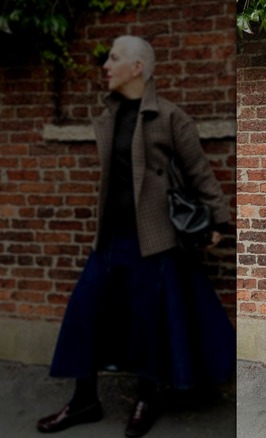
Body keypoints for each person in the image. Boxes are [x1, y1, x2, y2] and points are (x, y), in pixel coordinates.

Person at [36, 36, 235, 437]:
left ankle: (148, 396)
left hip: (154, 238)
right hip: (108, 239)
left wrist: (219, 222)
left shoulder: (169, 116)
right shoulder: (109, 115)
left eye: (114, 58)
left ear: (138, 67)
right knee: (86, 313)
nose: (106, 65)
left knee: (150, 321)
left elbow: (199, 173)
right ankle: (84, 400)